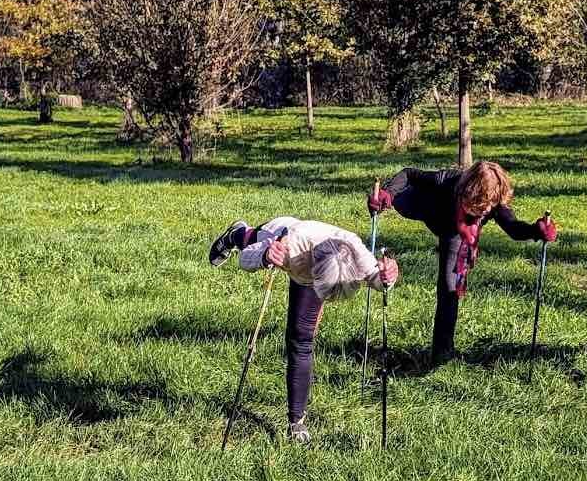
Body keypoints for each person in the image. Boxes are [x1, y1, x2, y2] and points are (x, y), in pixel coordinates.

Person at [209, 217, 399, 443]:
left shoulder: (356, 252)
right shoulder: (291, 243)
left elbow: (378, 280)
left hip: (313, 272)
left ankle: (295, 422)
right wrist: (264, 256)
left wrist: (388, 278)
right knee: (250, 238)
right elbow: (245, 259)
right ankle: (235, 233)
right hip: (284, 238)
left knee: (301, 340)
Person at [367, 160, 557, 364]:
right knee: (400, 197)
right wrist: (387, 194)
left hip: (453, 230)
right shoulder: (446, 181)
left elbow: (513, 228)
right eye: (479, 207)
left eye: (489, 207)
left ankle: (442, 354)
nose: (485, 211)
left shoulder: (493, 200)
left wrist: (536, 230)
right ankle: (392, 199)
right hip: (424, 203)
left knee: (449, 289)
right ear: (467, 192)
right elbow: (408, 174)